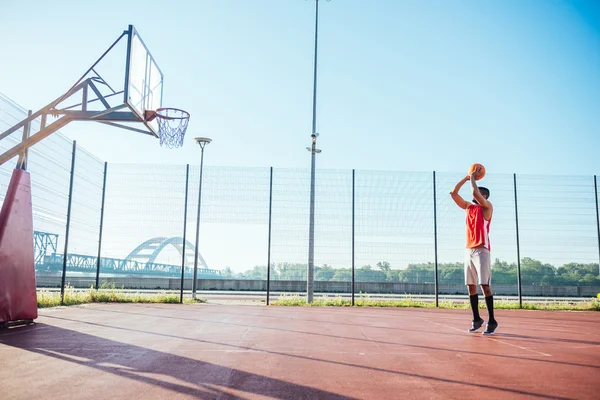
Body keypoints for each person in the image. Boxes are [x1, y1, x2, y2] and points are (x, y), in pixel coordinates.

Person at [449, 166, 498, 335]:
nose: (474, 194)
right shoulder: (469, 208)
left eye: (478, 192)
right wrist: (466, 178)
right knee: (471, 286)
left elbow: (476, 193)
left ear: (484, 196)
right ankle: (477, 319)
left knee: (484, 285)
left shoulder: (487, 208)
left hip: (482, 250)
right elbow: (453, 194)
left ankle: (492, 321)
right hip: (469, 250)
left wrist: (473, 179)